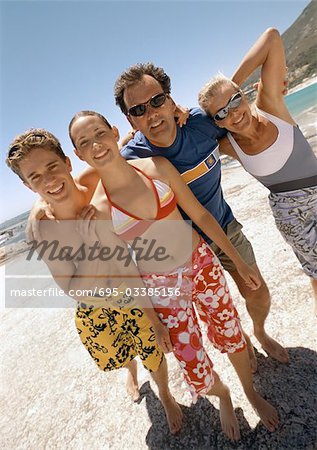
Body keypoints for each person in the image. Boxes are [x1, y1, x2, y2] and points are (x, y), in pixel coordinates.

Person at [68, 109, 280, 440]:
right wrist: (153, 320)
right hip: (160, 285)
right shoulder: (100, 210)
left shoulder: (156, 167)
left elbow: (200, 214)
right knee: (191, 361)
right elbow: (125, 268)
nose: (95, 144)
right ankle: (222, 394)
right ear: (79, 154)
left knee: (230, 331)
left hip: (201, 263)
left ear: (113, 131)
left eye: (99, 133)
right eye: (85, 142)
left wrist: (238, 260)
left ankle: (250, 393)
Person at [6, 129, 184, 434]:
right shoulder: (46, 230)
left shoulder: (94, 183)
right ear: (27, 185)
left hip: (132, 290)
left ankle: (166, 396)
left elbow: (112, 157)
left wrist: (130, 139)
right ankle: (130, 372)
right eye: (35, 177)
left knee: (153, 351)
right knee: (126, 352)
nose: (48, 180)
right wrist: (91, 248)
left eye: (52, 166)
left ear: (67, 162)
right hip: (97, 306)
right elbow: (72, 289)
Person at [112, 62, 289, 369]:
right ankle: (240, 339)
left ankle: (259, 331)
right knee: (219, 313)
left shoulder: (201, 123)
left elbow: (242, 117)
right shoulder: (132, 158)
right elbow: (95, 182)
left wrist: (274, 97)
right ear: (130, 119)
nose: (152, 114)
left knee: (258, 293)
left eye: (157, 101)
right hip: (187, 253)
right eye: (139, 110)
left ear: (170, 100)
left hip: (223, 225)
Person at [198, 27, 317, 313]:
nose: (233, 113)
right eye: (222, 113)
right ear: (218, 123)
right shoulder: (228, 146)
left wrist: (230, 86)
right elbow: (182, 144)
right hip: (291, 213)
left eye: (235, 101)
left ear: (244, 94)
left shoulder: (270, 106)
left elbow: (273, 37)